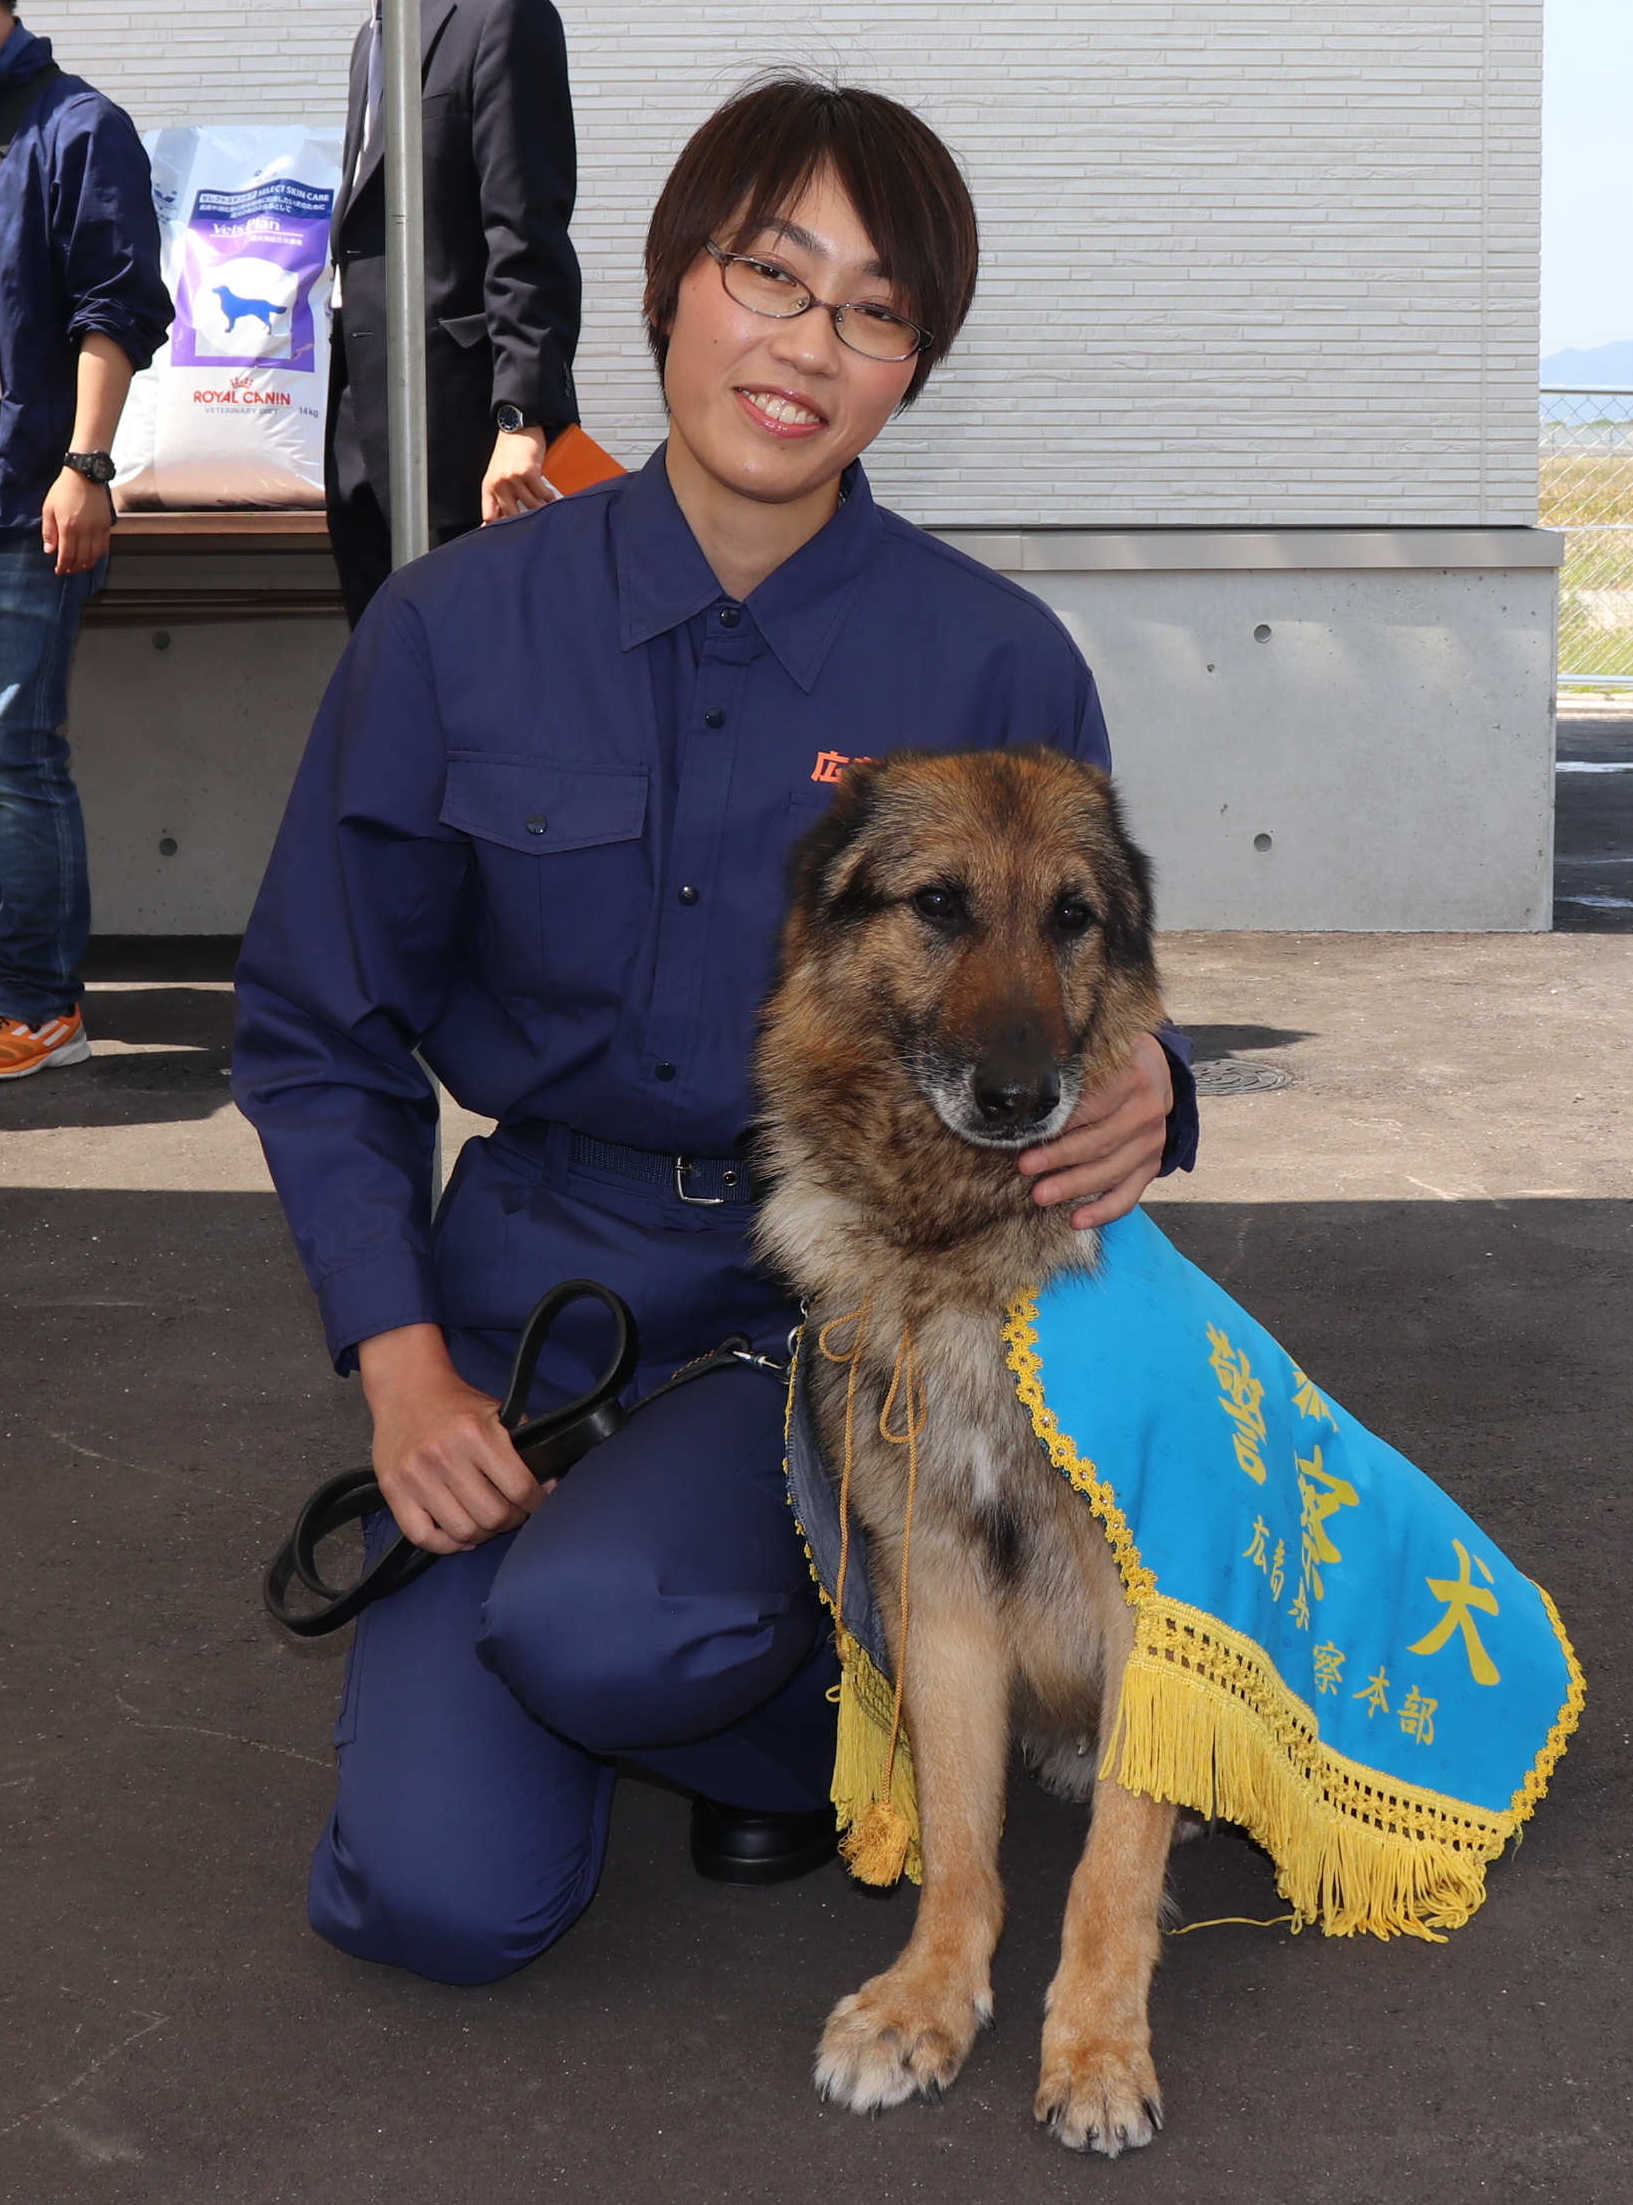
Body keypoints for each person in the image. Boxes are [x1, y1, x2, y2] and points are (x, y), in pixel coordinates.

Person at [234, 77, 1200, 1987]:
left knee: (609, 1627)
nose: (807, 346)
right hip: (536, 1290)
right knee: (440, 1902)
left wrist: (1151, 1091)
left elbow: (1075, 978)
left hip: (855, 1304)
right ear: (670, 286)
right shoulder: (451, 633)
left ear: (912, 368)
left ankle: (767, 1704)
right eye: (771, 276)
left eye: (871, 312)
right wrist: (407, 1372)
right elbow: (315, 1030)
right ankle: (776, 1716)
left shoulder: (991, 661)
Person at [0, 2, 171, 1080]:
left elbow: (115, 309)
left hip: (27, 499)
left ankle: (42, 1009)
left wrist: (87, 465)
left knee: (15, 755)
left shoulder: (77, 127)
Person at [325, 0, 581, 627]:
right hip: (359, 423)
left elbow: (526, 231)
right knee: (390, 671)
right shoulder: (374, 38)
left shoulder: (504, 16)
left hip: (462, 435)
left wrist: (522, 420)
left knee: (480, 675)